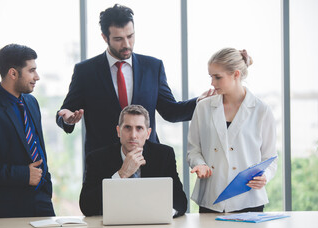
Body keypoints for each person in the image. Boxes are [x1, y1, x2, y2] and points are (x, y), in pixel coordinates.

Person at [56, 4, 214, 156]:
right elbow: (66, 112)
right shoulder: (85, 71)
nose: (126, 44)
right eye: (118, 39)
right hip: (102, 164)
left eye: (130, 36)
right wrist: (67, 120)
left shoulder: (153, 67)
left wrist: (200, 102)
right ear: (105, 37)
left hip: (147, 160)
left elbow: (170, 111)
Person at [0, 44, 55, 218]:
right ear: (13, 73)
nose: (37, 77)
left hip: (41, 200)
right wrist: (23, 174)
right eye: (31, 71)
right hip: (4, 208)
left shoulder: (31, 102)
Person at [187, 48, 277, 213]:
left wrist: (265, 177)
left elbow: (270, 158)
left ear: (236, 74)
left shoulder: (261, 110)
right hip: (211, 198)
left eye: (218, 77)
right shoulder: (203, 107)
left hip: (248, 199)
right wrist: (200, 164)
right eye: (211, 77)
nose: (212, 83)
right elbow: (193, 149)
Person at [79, 105, 187, 217]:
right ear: (118, 131)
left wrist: (162, 214)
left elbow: (180, 202)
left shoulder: (164, 155)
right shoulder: (97, 159)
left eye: (139, 128)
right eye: (127, 128)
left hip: (152, 225)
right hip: (114, 226)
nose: (133, 136)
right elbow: (87, 207)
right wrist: (121, 175)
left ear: (148, 133)